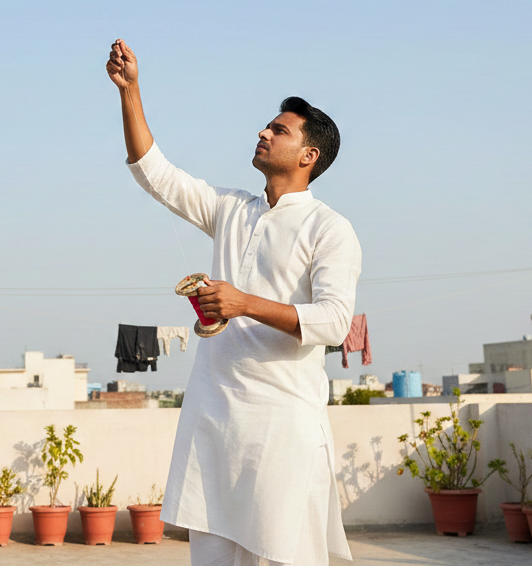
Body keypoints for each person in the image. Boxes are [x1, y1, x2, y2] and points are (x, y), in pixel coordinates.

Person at [106, 39, 361, 566]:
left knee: (283, 555)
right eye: (267, 125)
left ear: (308, 156)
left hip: (281, 428)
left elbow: (335, 323)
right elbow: (154, 172)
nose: (264, 132)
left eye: (279, 130)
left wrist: (244, 303)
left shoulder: (329, 229)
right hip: (215, 420)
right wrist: (130, 92)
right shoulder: (231, 209)